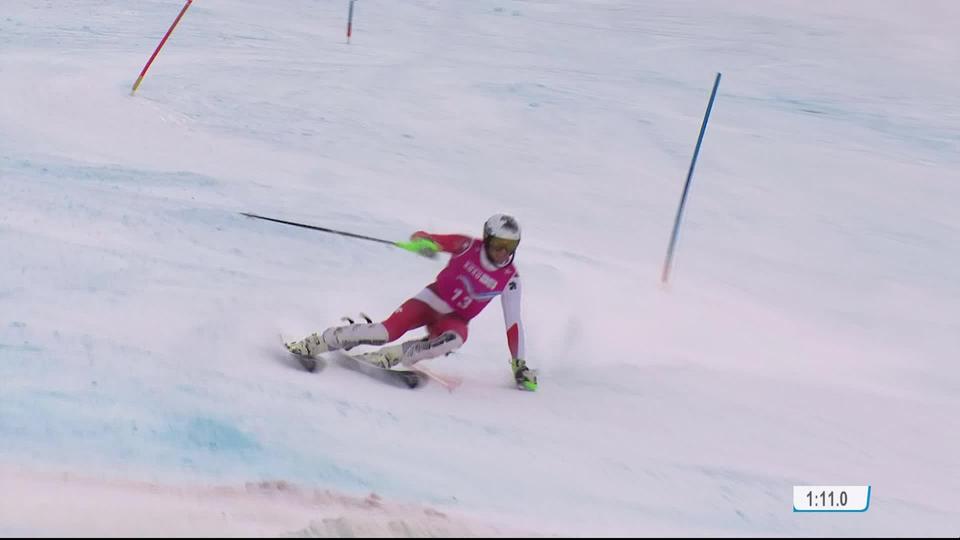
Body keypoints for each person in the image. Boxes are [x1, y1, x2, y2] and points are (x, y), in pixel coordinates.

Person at [284, 214, 538, 391]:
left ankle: (387, 358)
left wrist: (519, 365)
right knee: (385, 331)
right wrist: (424, 244)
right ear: (487, 238)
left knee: (457, 338)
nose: (503, 252)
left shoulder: (510, 279)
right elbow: (425, 236)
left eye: (510, 246)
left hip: (453, 321)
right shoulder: (466, 246)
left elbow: (513, 324)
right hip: (430, 301)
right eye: (498, 244)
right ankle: (315, 343)